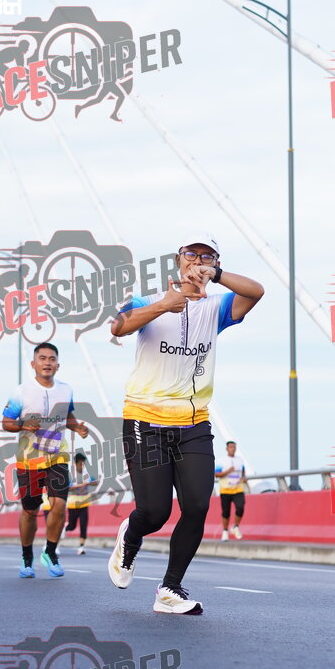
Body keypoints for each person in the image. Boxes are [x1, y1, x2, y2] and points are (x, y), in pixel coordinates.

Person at [107, 232, 264, 614]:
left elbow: (256, 292)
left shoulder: (217, 307)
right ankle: (131, 535)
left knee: (196, 506)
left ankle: (169, 589)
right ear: (179, 259)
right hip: (145, 419)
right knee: (155, 513)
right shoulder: (148, 300)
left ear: (215, 264)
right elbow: (118, 327)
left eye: (207, 256)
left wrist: (218, 276)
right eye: (191, 254)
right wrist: (165, 304)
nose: (198, 261)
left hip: (193, 423)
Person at [2, 342, 88, 578]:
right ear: (33, 364)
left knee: (59, 504)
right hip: (29, 459)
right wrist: (23, 424)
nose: (47, 362)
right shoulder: (21, 392)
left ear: (58, 365)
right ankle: (26, 556)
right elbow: (7, 422)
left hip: (57, 456)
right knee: (30, 510)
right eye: (42, 358)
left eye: (52, 359)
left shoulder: (66, 390)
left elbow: (67, 416)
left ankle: (50, 552)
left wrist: (77, 427)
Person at [64, 452, 98, 554]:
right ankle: (63, 528)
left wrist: (91, 482)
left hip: (84, 503)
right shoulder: (71, 475)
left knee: (83, 525)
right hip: (73, 504)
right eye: (80, 464)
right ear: (76, 464)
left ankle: (81, 547)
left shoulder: (86, 474)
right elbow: (69, 488)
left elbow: (95, 482)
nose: (82, 466)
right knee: (72, 526)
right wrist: (82, 485)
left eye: (83, 463)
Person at [215, 440, 247, 540]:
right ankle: (225, 531)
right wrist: (228, 471)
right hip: (225, 490)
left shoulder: (240, 460)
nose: (232, 449)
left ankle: (235, 527)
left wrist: (243, 478)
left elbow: (243, 472)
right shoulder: (221, 461)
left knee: (240, 507)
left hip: (238, 489)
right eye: (230, 447)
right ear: (227, 448)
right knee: (226, 512)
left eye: (234, 447)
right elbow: (216, 474)